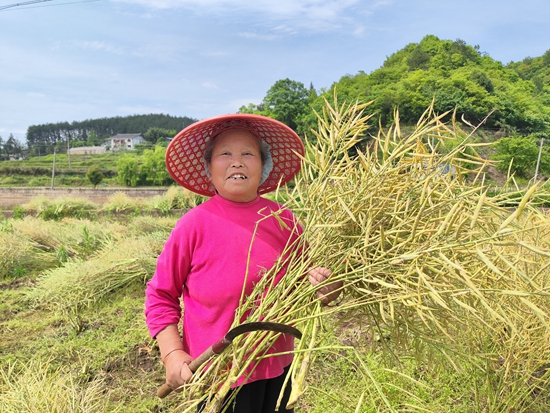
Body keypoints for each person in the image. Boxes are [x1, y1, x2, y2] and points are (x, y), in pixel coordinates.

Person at [145, 114, 342, 413]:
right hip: (218, 373)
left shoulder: (285, 221)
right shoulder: (193, 226)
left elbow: (307, 287)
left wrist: (326, 287)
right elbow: (160, 295)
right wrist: (172, 353)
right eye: (225, 154)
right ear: (209, 167)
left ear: (263, 167)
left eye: (248, 154)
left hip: (278, 369)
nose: (236, 162)